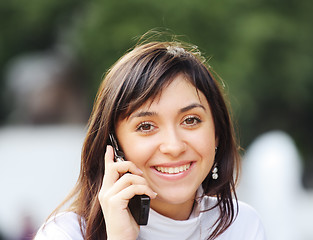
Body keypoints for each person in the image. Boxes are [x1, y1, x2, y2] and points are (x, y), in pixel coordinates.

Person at [35, 38, 266, 240]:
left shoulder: (240, 226)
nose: (173, 147)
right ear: (114, 145)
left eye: (191, 120)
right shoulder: (64, 234)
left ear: (217, 133)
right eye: (146, 126)